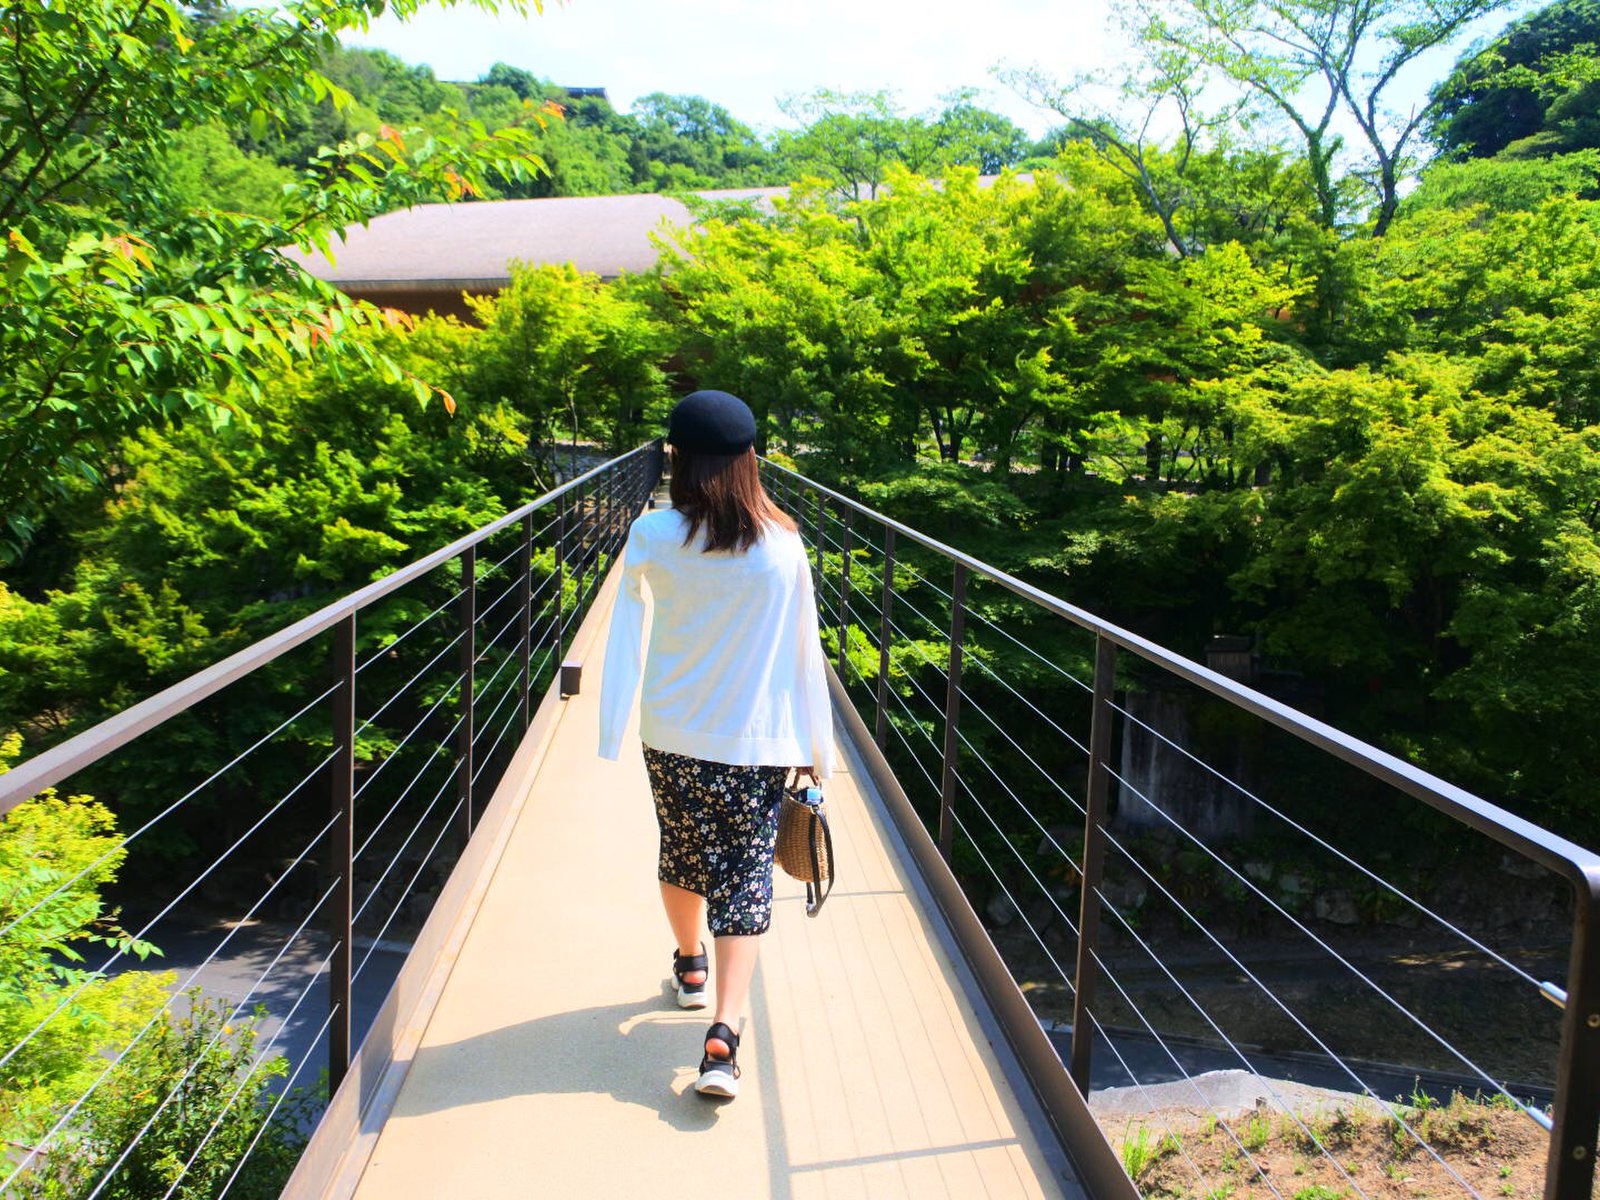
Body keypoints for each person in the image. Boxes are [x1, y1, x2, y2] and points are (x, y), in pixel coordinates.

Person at [598, 389, 834, 1100]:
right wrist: (816, 751)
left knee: (681, 848)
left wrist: (612, 724)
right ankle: (723, 1041)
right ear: (749, 460)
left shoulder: (652, 536)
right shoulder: (785, 546)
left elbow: (624, 629)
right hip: (755, 742)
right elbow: (804, 653)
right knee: (743, 875)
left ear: (677, 459)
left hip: (670, 732)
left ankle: (689, 963)